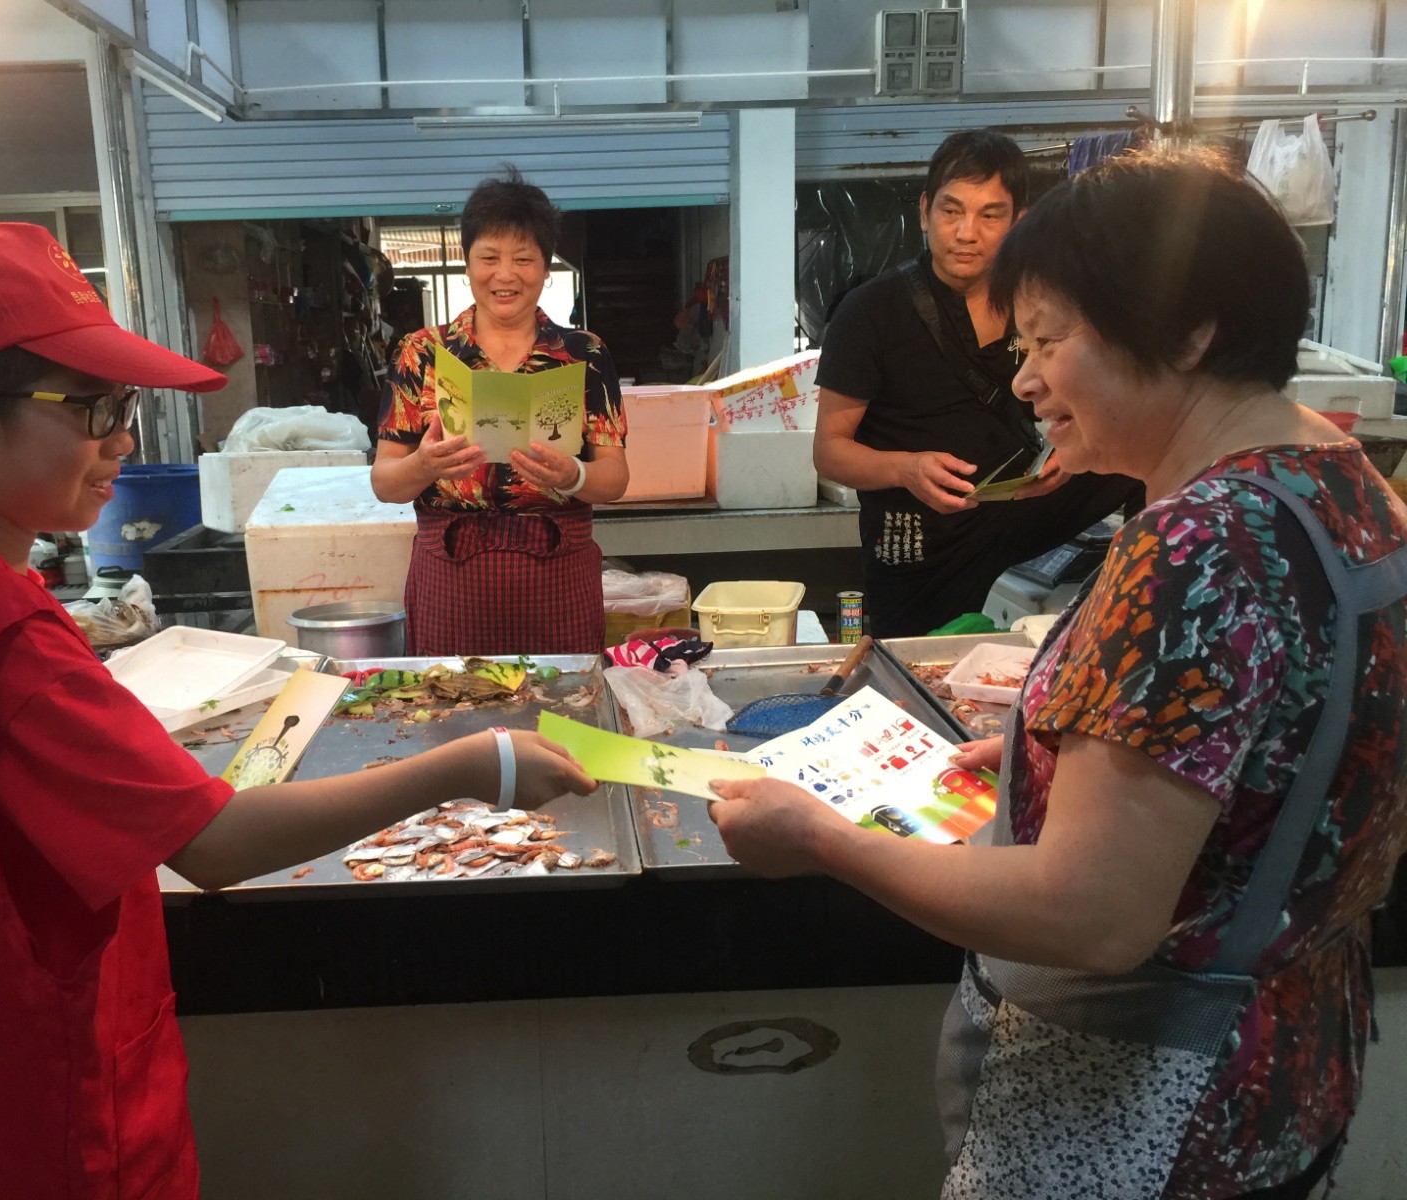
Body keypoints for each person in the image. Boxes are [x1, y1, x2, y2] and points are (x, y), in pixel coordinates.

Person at [0, 222, 597, 1199]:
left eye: (126, 407)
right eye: (94, 408)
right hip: (32, 1121)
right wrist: (476, 763)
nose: (123, 439)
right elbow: (213, 845)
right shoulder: (0, 630)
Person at [709, 149, 1407, 1198]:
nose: (1024, 378)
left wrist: (820, 840)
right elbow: (1276, 757)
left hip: (1144, 1112)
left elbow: (1091, 913)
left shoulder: (1193, 546)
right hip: (1288, 1073)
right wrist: (1051, 756)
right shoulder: (1348, 487)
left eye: (1048, 341)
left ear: (1188, 332)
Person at [812, 130, 1139, 638]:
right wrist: (906, 468)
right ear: (925, 212)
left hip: (1024, 515)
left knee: (1141, 452)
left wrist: (1071, 445)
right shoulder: (869, 312)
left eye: (990, 215)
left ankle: (1147, 598)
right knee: (920, 671)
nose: (967, 233)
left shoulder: (1041, 301)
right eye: (951, 211)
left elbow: (1087, 396)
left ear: (1018, 223)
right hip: (923, 544)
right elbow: (830, 451)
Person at [372, 168, 628, 655]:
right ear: (467, 262)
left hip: (558, 580)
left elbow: (615, 479)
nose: (505, 275)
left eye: (524, 259)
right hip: (451, 582)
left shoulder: (585, 354)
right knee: (452, 700)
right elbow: (385, 483)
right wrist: (424, 465)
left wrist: (573, 475)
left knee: (562, 700)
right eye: (489, 257)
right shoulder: (421, 353)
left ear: (546, 268)